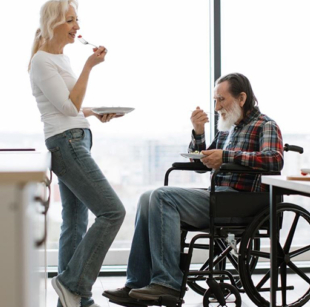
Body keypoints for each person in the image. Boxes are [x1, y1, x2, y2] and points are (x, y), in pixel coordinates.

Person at [103, 73, 284, 304]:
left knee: (161, 197)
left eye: (222, 100)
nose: (217, 107)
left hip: (242, 202)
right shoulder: (227, 130)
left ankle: (167, 283)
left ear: (241, 98)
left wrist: (227, 156)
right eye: (215, 100)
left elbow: (274, 160)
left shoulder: (265, 125)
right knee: (146, 198)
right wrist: (198, 132)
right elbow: (200, 165)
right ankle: (136, 283)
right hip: (219, 198)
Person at [28, 1, 126, 307]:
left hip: (75, 139)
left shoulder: (60, 59)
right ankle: (72, 284)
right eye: (70, 20)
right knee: (113, 212)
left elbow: (71, 105)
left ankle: (73, 301)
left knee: (74, 221)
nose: (77, 27)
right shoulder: (43, 61)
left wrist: (94, 113)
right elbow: (67, 108)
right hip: (66, 143)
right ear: (53, 22)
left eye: (77, 20)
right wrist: (89, 67)